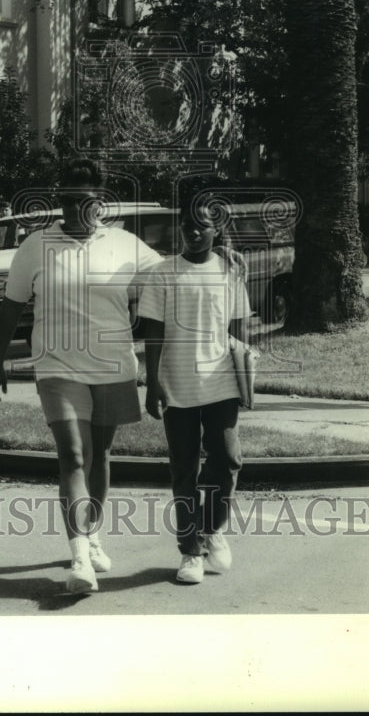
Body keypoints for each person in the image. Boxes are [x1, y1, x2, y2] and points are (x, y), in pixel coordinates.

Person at [0, 160, 164, 594]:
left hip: (113, 365)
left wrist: (221, 256)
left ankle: (94, 532)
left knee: (100, 456)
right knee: (73, 455)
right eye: (65, 200)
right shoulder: (36, 245)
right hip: (56, 366)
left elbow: (172, 276)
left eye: (82, 200)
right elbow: (12, 305)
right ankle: (79, 554)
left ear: (100, 202)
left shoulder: (125, 244)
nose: (72, 209)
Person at [139, 204, 251, 585]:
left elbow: (239, 331)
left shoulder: (230, 272)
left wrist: (245, 377)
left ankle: (212, 530)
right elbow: (152, 332)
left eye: (201, 226)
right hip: (178, 386)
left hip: (221, 385)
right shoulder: (162, 273)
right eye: (187, 225)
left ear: (216, 230)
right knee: (184, 469)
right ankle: (189, 551)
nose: (193, 232)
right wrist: (152, 382)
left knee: (227, 459)